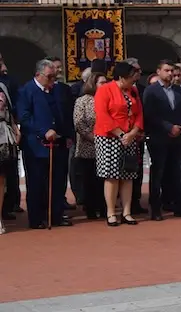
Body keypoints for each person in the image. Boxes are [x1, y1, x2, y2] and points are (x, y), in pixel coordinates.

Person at [17, 59, 73, 229]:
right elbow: (24, 118)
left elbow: (64, 113)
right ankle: (36, 218)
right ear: (38, 75)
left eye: (54, 77)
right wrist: (43, 131)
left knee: (57, 182)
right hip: (36, 146)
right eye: (49, 77)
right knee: (36, 184)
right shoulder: (26, 91)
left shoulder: (55, 91)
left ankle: (55, 215)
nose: (52, 81)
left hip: (58, 144)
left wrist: (67, 135)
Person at [142, 60, 181, 221]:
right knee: (158, 173)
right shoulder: (151, 91)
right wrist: (168, 127)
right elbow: (150, 114)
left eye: (172, 70)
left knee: (176, 172)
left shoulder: (179, 91)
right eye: (167, 70)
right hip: (159, 137)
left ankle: (179, 206)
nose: (170, 74)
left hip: (178, 137)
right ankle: (156, 209)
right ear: (158, 71)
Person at [93, 61, 144, 226]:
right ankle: (110, 212)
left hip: (129, 137)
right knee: (112, 176)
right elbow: (103, 115)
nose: (133, 81)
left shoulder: (133, 91)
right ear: (121, 77)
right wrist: (121, 134)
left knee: (128, 175)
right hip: (109, 138)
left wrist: (133, 133)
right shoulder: (105, 90)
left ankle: (127, 212)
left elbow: (139, 114)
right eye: (131, 78)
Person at [72, 73, 106, 220]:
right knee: (89, 180)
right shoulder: (83, 101)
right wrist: (93, 138)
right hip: (88, 146)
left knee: (104, 180)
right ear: (93, 84)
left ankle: (104, 208)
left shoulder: (107, 99)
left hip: (106, 146)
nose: (105, 85)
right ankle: (91, 209)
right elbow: (79, 123)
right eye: (101, 83)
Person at [0, 79, 19, 234]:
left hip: (2, 138)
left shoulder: (3, 87)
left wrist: (14, 128)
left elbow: (10, 111)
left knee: (1, 179)